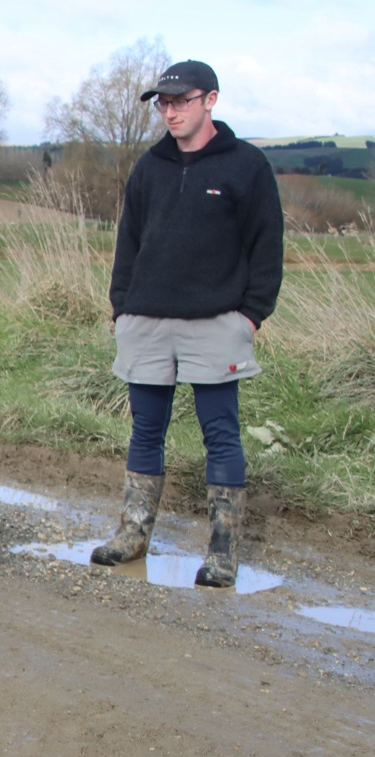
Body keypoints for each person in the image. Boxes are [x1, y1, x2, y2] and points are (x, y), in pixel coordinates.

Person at [90, 60, 283, 588]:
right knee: (145, 429)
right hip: (146, 320)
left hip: (218, 320)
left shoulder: (246, 166)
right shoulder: (149, 167)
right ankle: (133, 534)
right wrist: (121, 307)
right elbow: (128, 242)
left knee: (219, 433)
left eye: (180, 101)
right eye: (163, 103)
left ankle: (223, 549)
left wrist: (251, 314)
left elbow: (267, 246)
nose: (170, 111)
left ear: (211, 100)